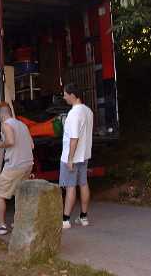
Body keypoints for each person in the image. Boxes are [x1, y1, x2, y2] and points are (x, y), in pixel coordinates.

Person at [0, 102, 34, 235]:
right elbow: (31, 145)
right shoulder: (23, 125)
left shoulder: (6, 125)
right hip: (28, 164)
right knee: (20, 193)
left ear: (1, 115)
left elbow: (11, 141)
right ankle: (20, 221)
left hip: (15, 165)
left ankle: (1, 226)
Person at [60, 83, 94, 229]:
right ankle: (83, 217)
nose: (64, 96)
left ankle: (65, 220)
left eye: (65, 94)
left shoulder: (74, 113)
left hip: (73, 157)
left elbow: (74, 138)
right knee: (83, 184)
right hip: (84, 154)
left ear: (72, 95)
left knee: (70, 187)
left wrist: (69, 158)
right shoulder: (88, 111)